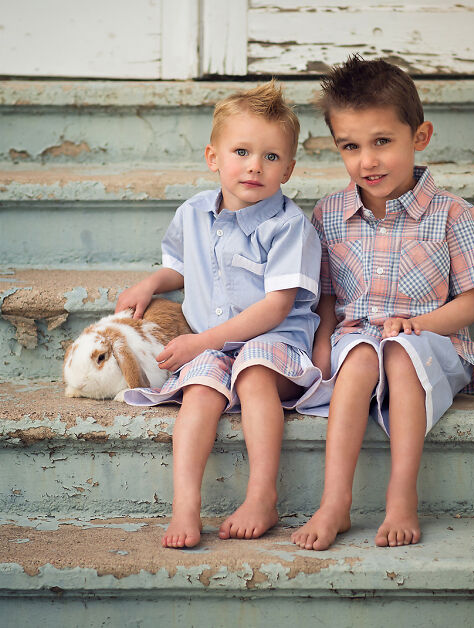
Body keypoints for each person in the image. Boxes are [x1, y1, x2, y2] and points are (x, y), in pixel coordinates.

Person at [291, 56, 474, 551]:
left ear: (419, 136)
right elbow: (327, 297)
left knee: (400, 354)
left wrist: (418, 324)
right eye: (351, 146)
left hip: (433, 341)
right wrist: (322, 344)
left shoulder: (452, 213)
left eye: (382, 141)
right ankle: (335, 502)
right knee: (361, 358)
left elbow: (470, 304)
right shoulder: (329, 213)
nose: (368, 160)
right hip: (356, 339)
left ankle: (402, 495)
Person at [116, 81, 322, 549]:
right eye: (242, 152)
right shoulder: (193, 213)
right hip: (211, 343)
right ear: (213, 157)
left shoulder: (289, 226)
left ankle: (262, 496)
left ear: (289, 168)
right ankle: (186, 505)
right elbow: (181, 267)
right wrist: (152, 283)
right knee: (199, 390)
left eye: (271, 156)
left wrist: (203, 342)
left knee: (253, 374)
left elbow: (277, 306)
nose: (254, 165)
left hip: (274, 342)